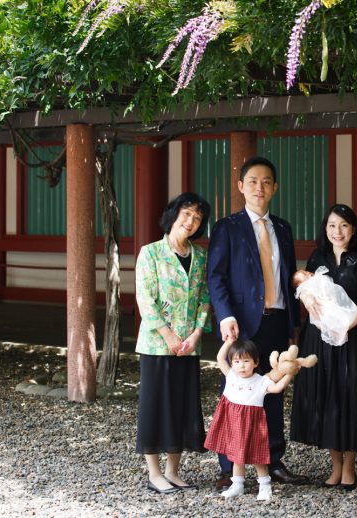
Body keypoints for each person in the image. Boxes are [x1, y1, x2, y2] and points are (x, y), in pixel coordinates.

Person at [207, 156, 307, 489]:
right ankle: (228, 466)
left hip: (278, 320)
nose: (259, 188)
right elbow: (216, 277)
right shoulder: (227, 227)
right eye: (252, 181)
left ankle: (273, 461)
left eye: (266, 182)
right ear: (241, 187)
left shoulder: (283, 227)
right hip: (242, 325)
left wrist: (296, 315)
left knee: (273, 394)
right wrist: (225, 315)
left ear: (274, 187)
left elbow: (285, 273)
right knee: (234, 395)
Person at [290, 204, 357, 490]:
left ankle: (350, 467)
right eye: (331, 225)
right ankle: (335, 466)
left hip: (351, 338)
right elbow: (303, 287)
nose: (337, 231)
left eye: (343, 225)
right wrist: (306, 299)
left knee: (350, 398)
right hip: (319, 338)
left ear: (353, 229)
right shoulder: (318, 257)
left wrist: (344, 326)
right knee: (327, 396)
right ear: (324, 229)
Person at [134, 192, 212, 494]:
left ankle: (173, 471)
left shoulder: (200, 256)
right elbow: (146, 299)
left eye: (197, 217)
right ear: (174, 213)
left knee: (182, 406)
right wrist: (168, 335)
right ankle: (154, 473)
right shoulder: (150, 252)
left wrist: (195, 334)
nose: (190, 220)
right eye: (186, 213)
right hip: (157, 345)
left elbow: (205, 298)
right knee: (155, 407)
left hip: (188, 347)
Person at [204, 339, 294, 501]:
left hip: (252, 424)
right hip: (233, 423)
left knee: (257, 457)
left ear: (256, 362)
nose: (241, 366)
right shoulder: (231, 375)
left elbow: (277, 388)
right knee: (236, 455)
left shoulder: (261, 381)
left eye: (246, 361)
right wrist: (229, 342)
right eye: (237, 361)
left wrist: (289, 374)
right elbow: (219, 358)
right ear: (232, 363)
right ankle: (237, 485)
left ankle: (265, 487)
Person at [292, 266, 357, 346]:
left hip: (330, 300)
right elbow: (304, 293)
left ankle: (340, 327)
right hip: (321, 305)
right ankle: (336, 331)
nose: (307, 272)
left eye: (306, 271)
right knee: (325, 316)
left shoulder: (319, 278)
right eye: (304, 274)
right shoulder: (305, 288)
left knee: (337, 312)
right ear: (300, 284)